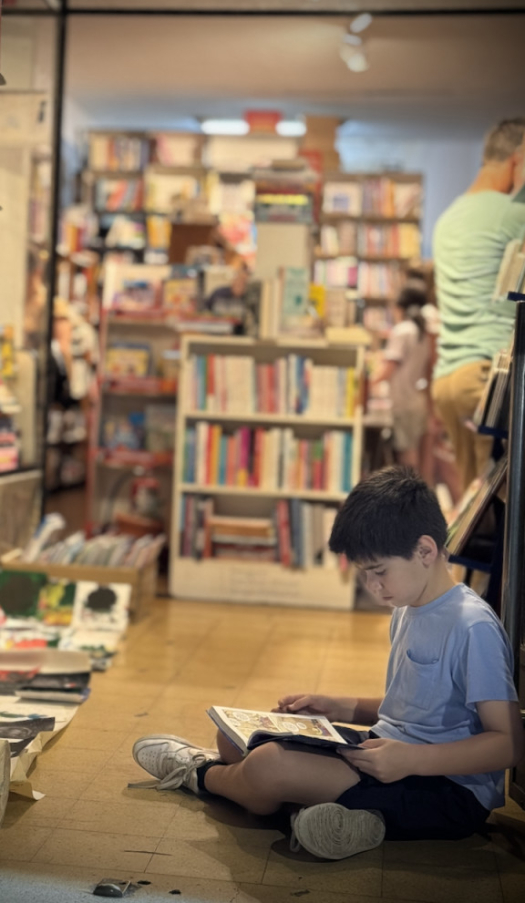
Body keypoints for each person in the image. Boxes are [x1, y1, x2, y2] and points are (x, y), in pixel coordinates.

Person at [131, 467, 523, 860]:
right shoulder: (409, 605)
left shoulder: (472, 626)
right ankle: (340, 820)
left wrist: (410, 760)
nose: (373, 587)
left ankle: (200, 774)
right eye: (365, 574)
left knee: (267, 767)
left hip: (446, 789)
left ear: (425, 551)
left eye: (379, 572)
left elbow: (507, 744)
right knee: (234, 739)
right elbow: (417, 706)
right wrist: (341, 706)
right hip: (387, 753)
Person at [432, 118, 525, 493]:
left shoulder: (447, 217)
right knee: (502, 506)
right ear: (518, 158)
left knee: (475, 507)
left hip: (449, 381)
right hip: (488, 378)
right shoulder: (511, 214)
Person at [372, 284, 432, 472]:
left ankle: (408, 491)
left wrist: (369, 382)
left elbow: (389, 368)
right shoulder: (422, 331)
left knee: (407, 457)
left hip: (403, 402)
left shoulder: (402, 330)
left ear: (400, 307)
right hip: (418, 400)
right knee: (417, 455)